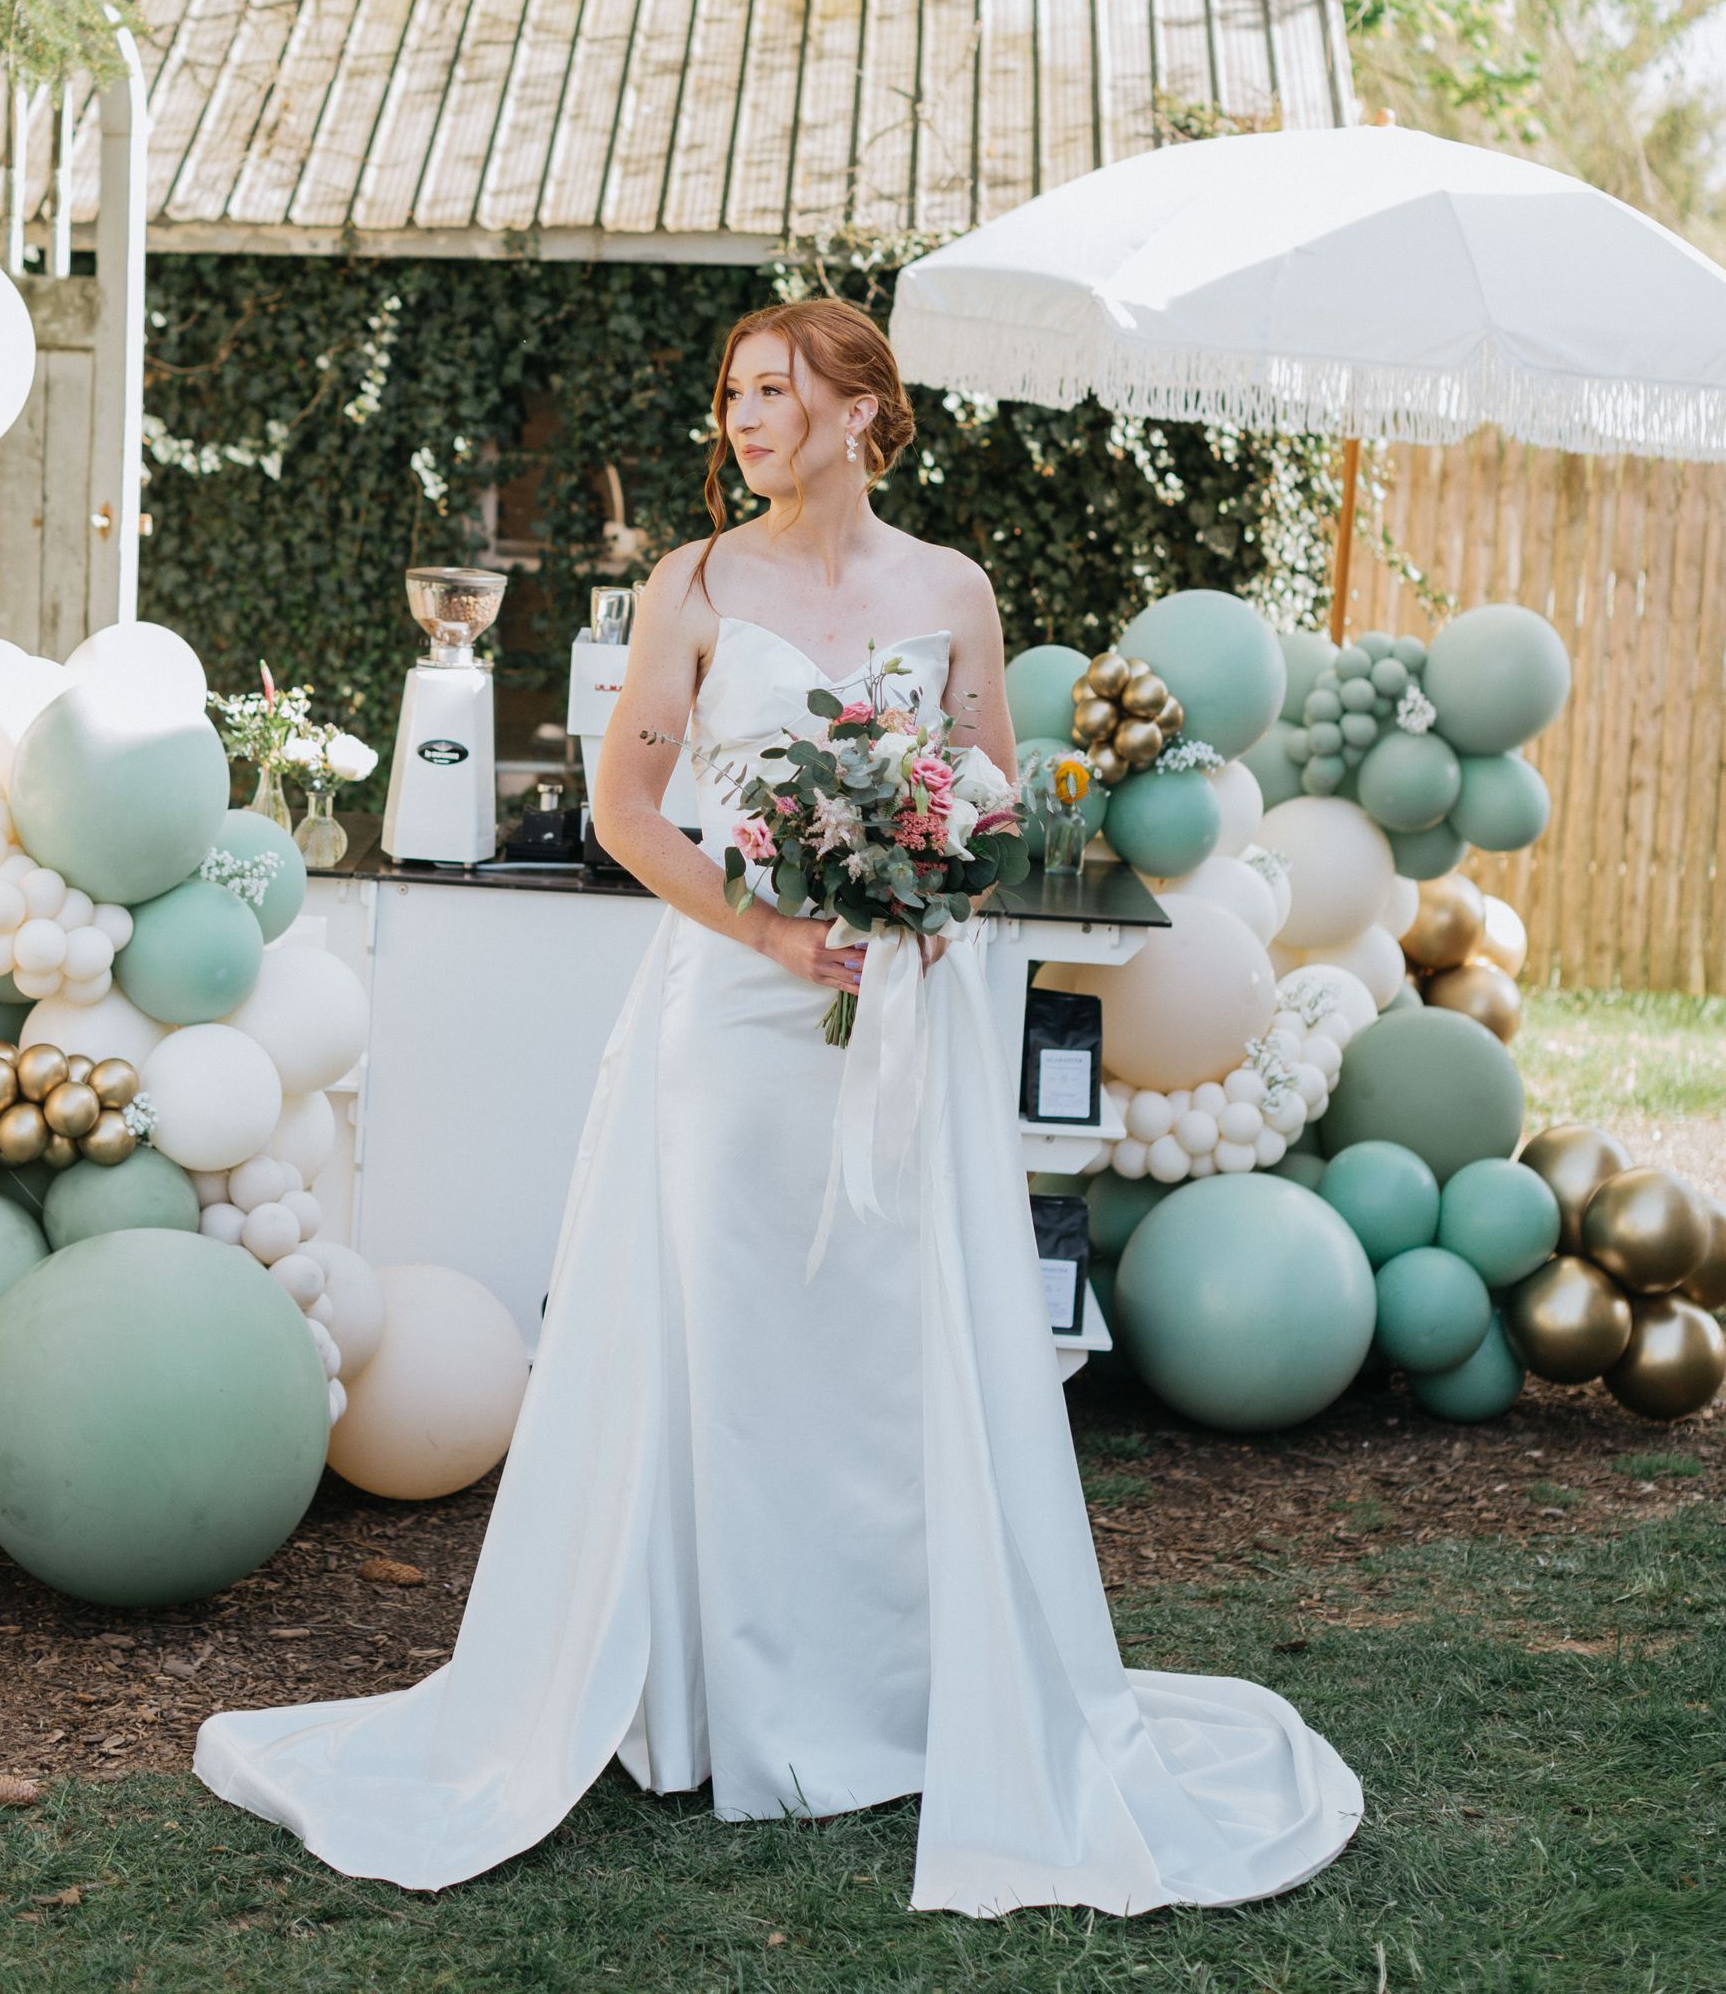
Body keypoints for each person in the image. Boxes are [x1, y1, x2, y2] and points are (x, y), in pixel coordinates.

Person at [194, 300, 1362, 1916]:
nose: (745, 418)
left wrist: (931, 872)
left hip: (906, 1018)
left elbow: (992, 792)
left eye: (775, 390)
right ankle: (714, 1697)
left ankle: (898, 1688)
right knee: (731, 1335)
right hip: (733, 1021)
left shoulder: (950, 588)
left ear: (861, 404)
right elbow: (625, 807)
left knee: (893, 1332)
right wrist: (767, 924)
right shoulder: (695, 585)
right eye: (733, 393)